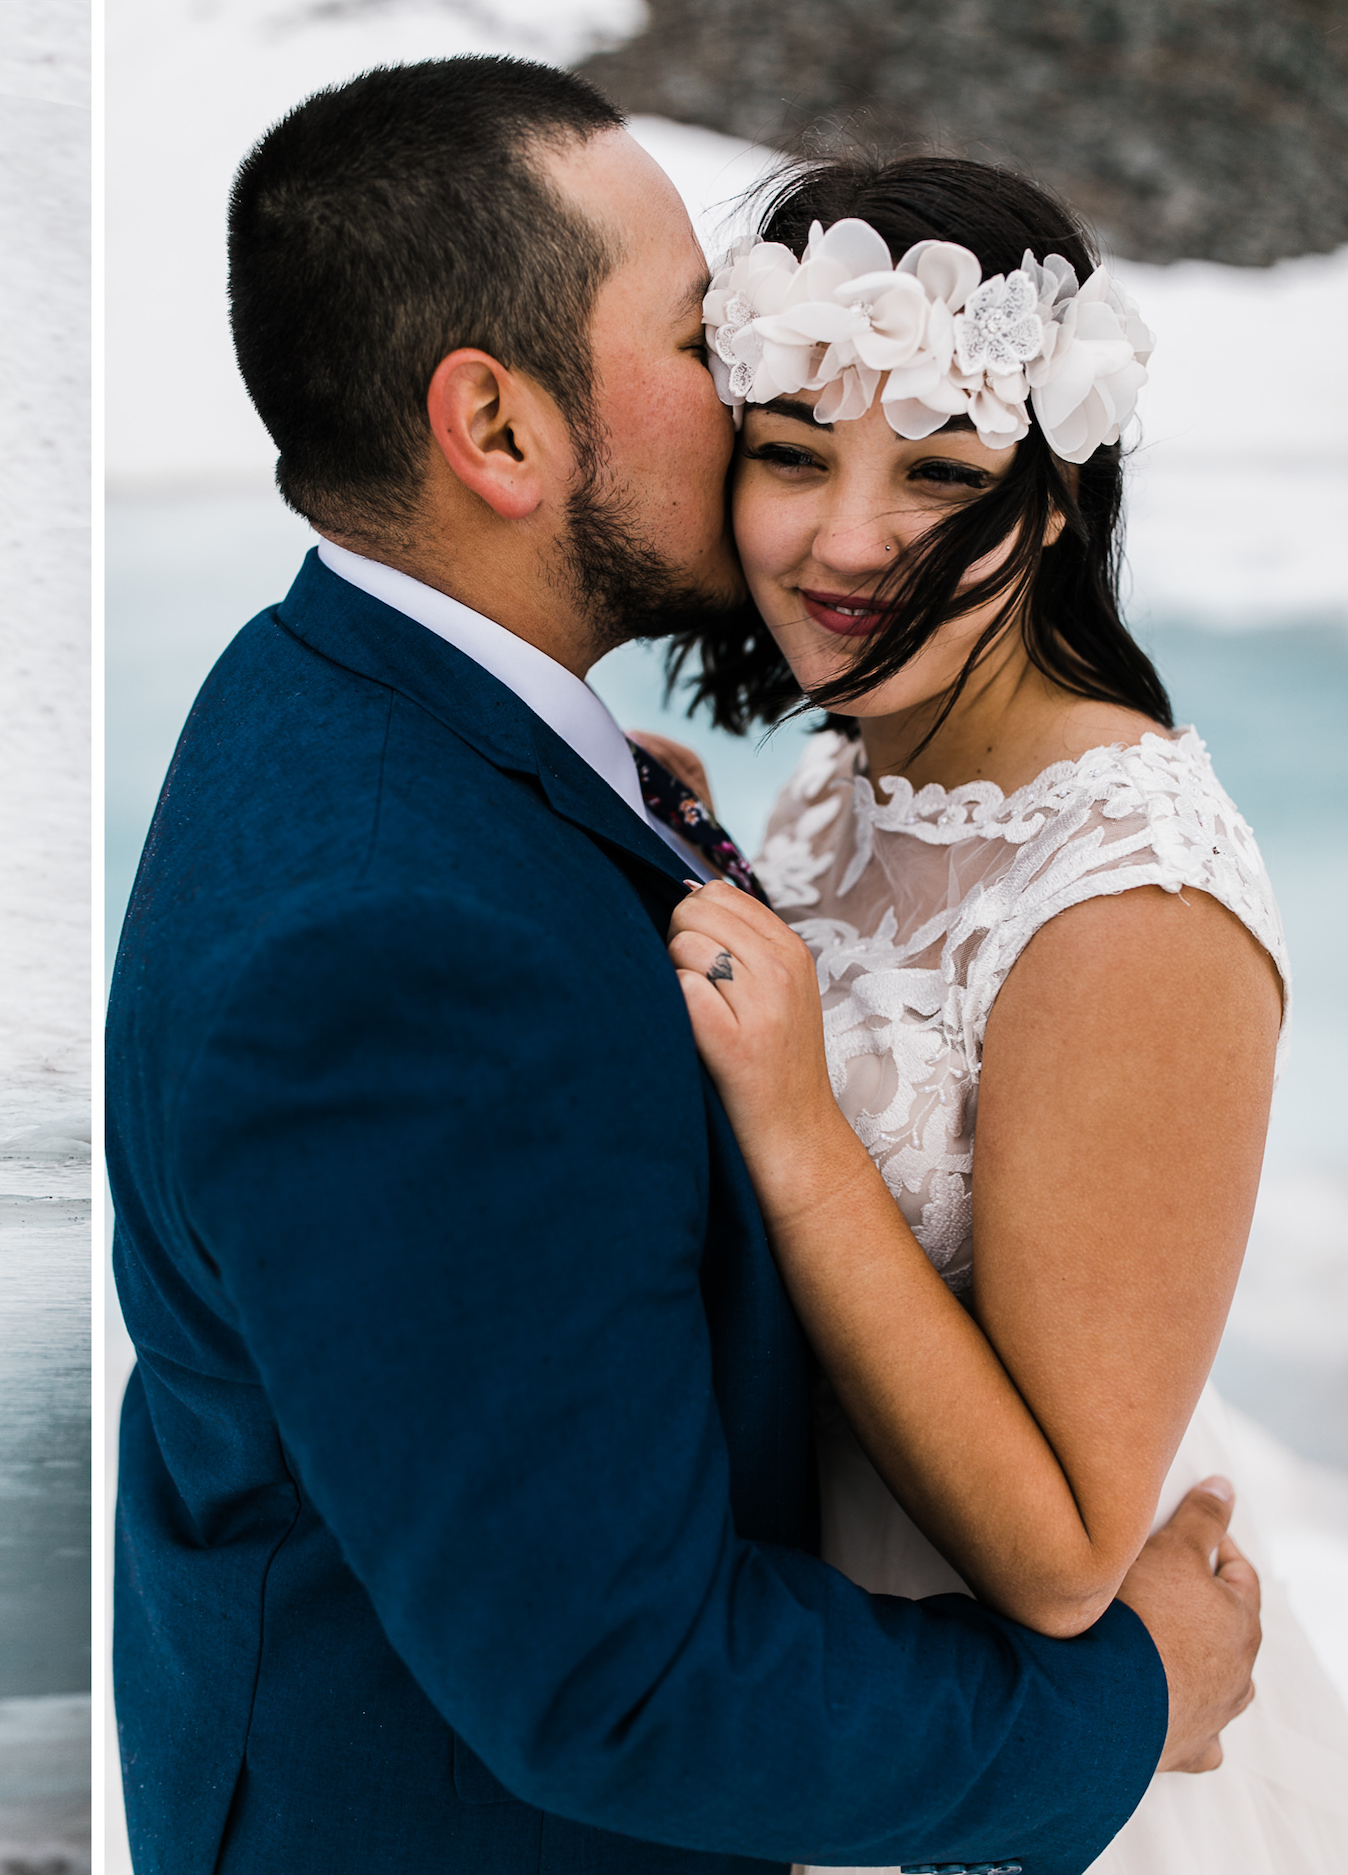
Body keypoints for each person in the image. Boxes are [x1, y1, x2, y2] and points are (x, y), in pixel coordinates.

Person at [107, 57, 1260, 1874]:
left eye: (935, 463)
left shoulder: (332, 707)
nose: (756, 411)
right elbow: (620, 1683)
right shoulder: (414, 929)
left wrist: (642, 848)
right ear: (497, 430)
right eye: (711, 347)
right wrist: (1127, 1701)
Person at [658, 156, 1348, 1869]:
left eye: (943, 470)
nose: (849, 538)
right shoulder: (848, 782)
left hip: (1036, 1765)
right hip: (833, 1704)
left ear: (1050, 501)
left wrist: (801, 1127)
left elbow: (1059, 1551)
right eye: (795, 453)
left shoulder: (1136, 900)